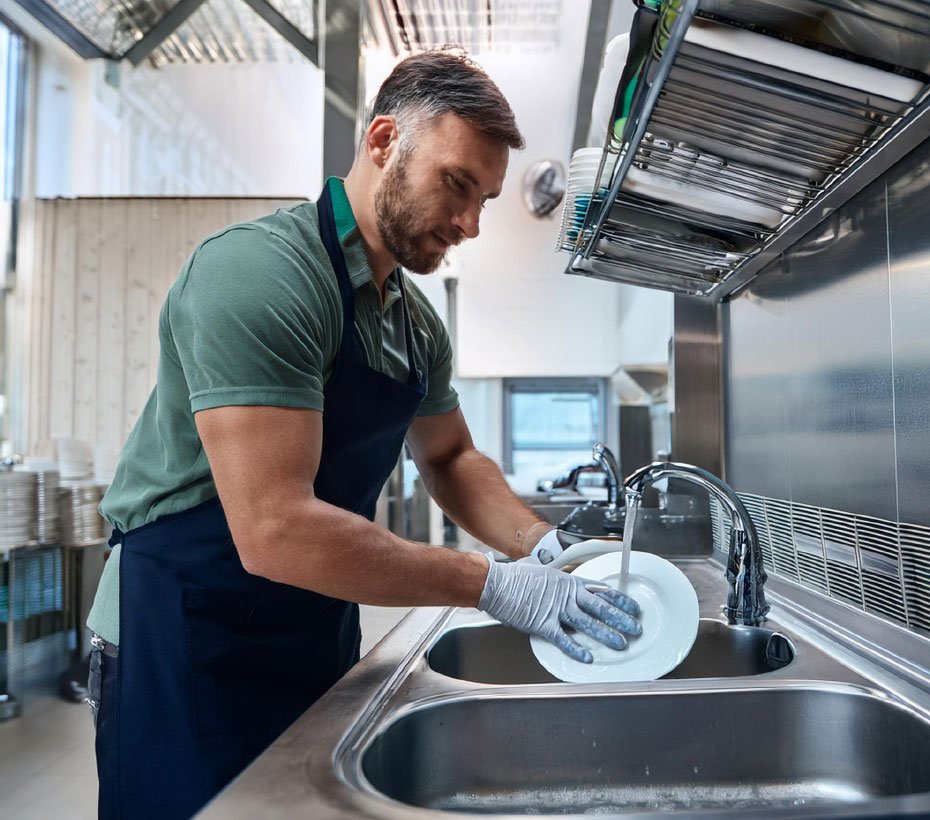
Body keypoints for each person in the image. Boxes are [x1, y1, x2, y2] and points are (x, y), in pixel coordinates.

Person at [84, 48, 641, 820]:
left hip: (312, 632)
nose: (472, 224)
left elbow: (450, 456)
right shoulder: (261, 275)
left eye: (484, 199)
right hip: (181, 640)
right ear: (383, 142)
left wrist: (538, 546)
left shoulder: (414, 325)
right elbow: (274, 530)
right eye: (457, 184)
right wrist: (489, 583)